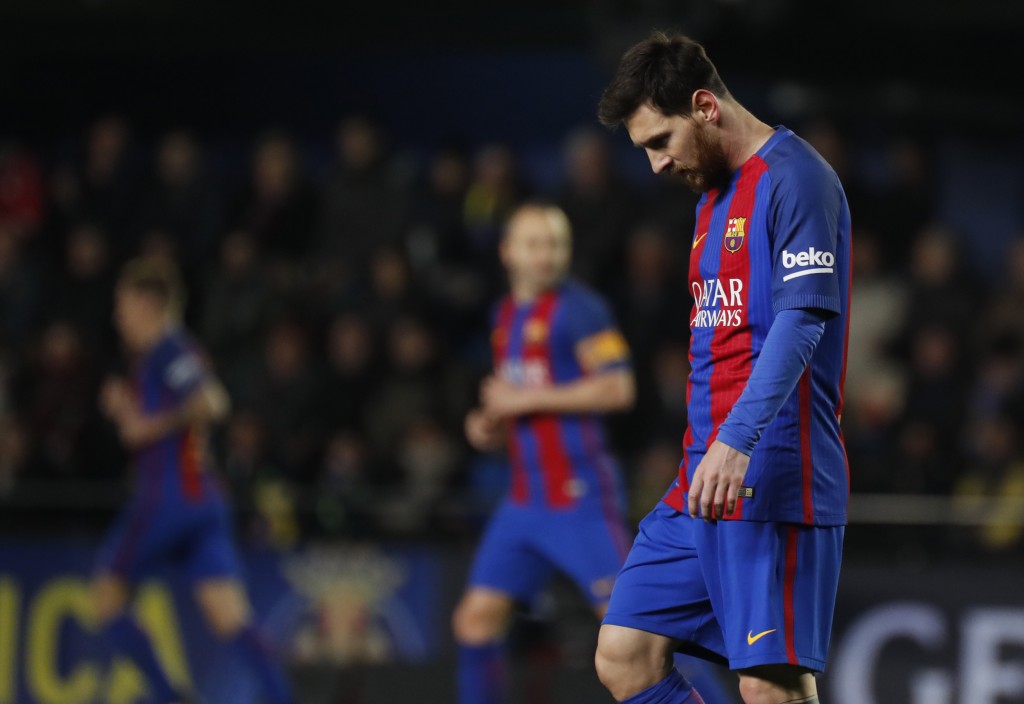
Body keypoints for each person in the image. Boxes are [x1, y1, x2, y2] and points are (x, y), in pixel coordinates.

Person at [593, 33, 851, 704]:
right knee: (625, 654)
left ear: (704, 105)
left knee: (770, 691)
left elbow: (800, 322)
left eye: (659, 141)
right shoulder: (709, 196)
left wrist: (736, 442)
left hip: (770, 477)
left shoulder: (797, 179)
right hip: (700, 481)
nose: (655, 165)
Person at [453, 203, 636, 704]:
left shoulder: (580, 309)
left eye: (555, 244)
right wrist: (489, 424)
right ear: (507, 252)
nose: (547, 255)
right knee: (474, 622)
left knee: (634, 638)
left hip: (578, 497)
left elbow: (618, 387)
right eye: (534, 243)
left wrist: (525, 400)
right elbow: (515, 398)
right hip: (523, 500)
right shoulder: (505, 315)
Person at [92, 258, 292, 704]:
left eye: (123, 306)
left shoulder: (169, 349)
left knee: (106, 594)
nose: (117, 318)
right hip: (203, 501)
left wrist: (149, 425)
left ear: (148, 304)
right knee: (229, 616)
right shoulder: (151, 361)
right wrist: (126, 412)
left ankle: (169, 697)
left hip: (169, 497)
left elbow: (211, 402)